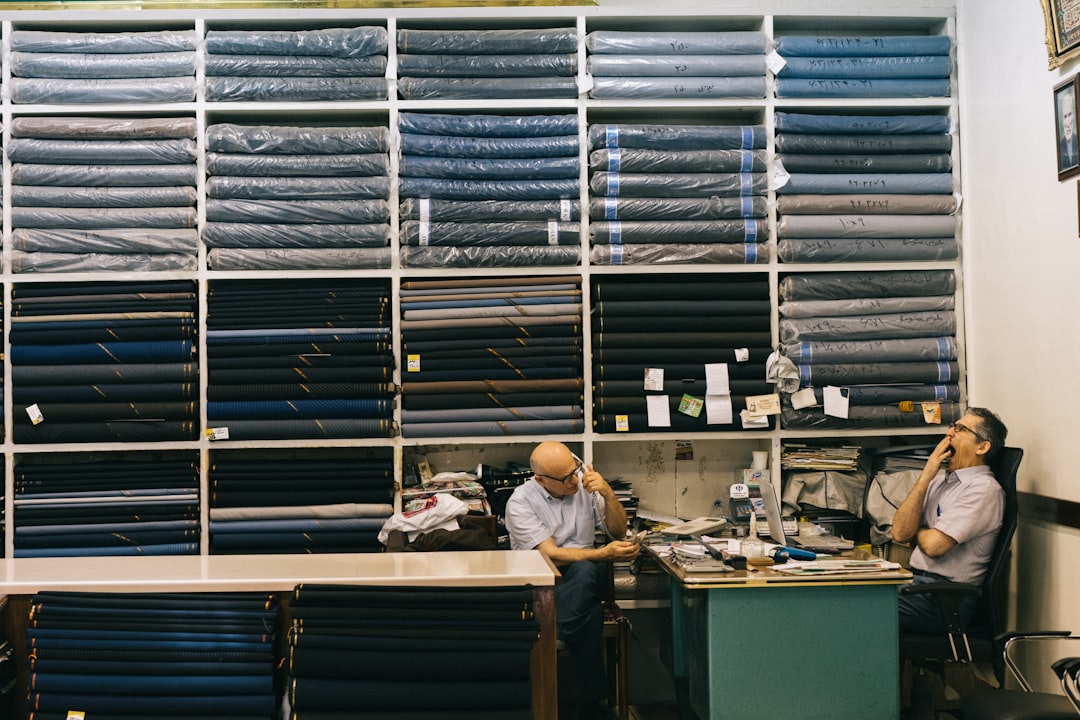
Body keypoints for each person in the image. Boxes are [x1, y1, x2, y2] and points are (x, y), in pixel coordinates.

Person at [504, 441, 640, 720]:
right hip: (540, 581)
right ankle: (593, 707)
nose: (574, 479)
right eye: (565, 477)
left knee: (587, 572)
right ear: (540, 480)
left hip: (583, 576)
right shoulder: (520, 501)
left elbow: (617, 530)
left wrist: (607, 493)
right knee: (588, 613)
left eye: (575, 470)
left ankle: (557, 636)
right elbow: (550, 555)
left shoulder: (583, 487)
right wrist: (604, 554)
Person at [891, 407, 1008, 634]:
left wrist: (920, 531)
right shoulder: (939, 482)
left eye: (961, 429)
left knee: (858, 607)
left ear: (982, 447)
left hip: (944, 600)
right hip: (916, 586)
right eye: (952, 426)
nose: (949, 433)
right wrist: (926, 475)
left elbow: (935, 546)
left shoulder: (984, 490)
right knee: (852, 594)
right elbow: (900, 533)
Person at [1060, 87, 1078, 171]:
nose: (1067, 123)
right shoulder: (1060, 147)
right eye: (1065, 116)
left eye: (1070, 114)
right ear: (1062, 120)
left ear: (1073, 115)